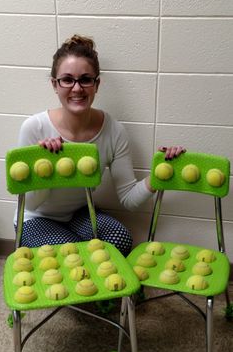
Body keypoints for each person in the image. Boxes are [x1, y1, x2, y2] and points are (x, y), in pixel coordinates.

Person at [14, 34, 185, 256]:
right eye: (67, 79)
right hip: (36, 218)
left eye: (85, 79)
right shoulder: (34, 128)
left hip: (79, 213)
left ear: (97, 84)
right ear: (55, 85)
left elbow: (128, 199)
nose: (77, 88)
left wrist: (159, 177)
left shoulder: (114, 131)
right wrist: (47, 167)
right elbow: (31, 204)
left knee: (120, 240)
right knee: (75, 255)